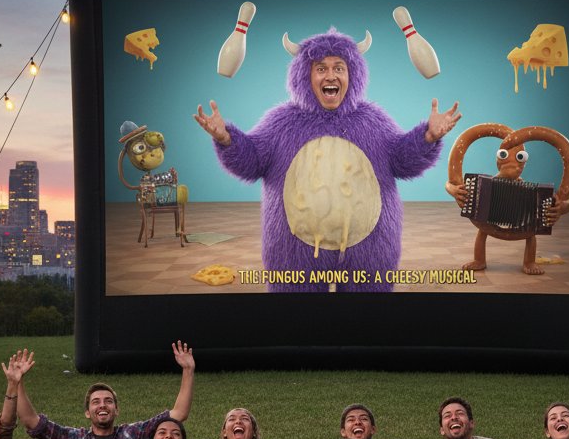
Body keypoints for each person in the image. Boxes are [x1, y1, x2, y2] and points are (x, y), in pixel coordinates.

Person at [194, 28, 461, 293]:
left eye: (339, 68)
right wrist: (227, 139)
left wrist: (428, 136)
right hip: (294, 252)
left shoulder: (373, 121)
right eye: (320, 68)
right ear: (305, 75)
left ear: (352, 74)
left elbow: (403, 161)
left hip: (369, 250)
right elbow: (251, 162)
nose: (330, 75)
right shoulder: (281, 122)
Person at [16, 342, 196, 439]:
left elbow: (178, 414)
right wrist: (17, 382)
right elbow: (31, 422)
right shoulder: (71, 438)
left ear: (116, 410)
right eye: (96, 402)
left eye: (108, 401)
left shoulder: (132, 434)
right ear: (87, 413)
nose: (102, 405)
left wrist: (188, 370)